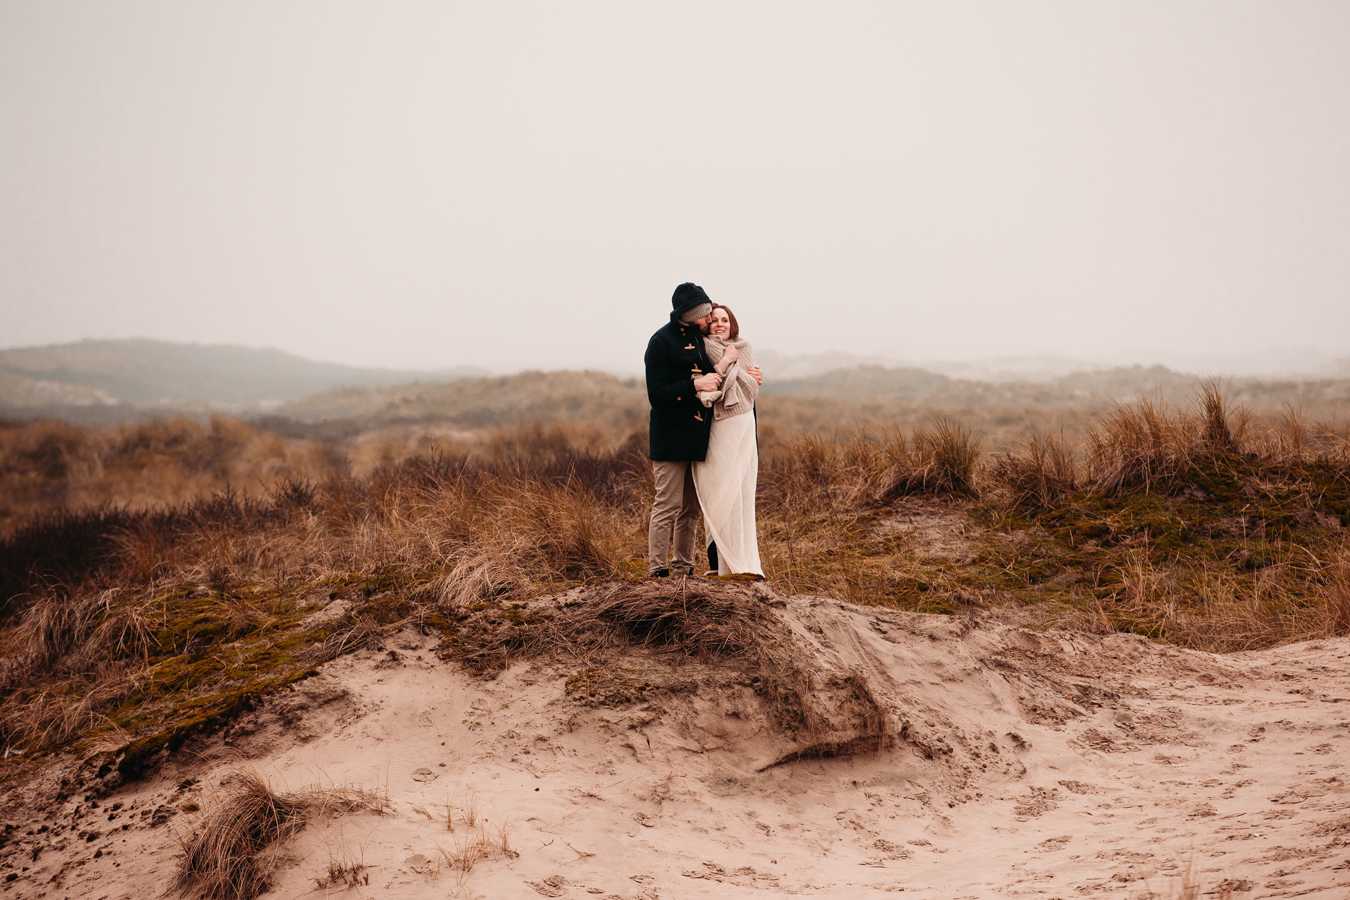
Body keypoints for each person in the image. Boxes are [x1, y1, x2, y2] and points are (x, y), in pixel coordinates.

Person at [644, 283, 761, 577]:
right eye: (706, 314)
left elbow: (724, 365)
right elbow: (655, 395)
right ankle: (658, 571)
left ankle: (684, 570)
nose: (711, 319)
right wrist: (694, 385)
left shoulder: (700, 338)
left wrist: (750, 373)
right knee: (667, 505)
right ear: (690, 314)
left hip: (700, 439)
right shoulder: (660, 342)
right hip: (671, 437)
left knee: (691, 510)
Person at [691, 303, 764, 576]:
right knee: (719, 489)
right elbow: (710, 383)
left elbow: (749, 388)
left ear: (732, 325)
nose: (720, 324)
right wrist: (727, 363)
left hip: (741, 421)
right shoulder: (702, 349)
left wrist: (748, 375)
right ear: (709, 326)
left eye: (725, 320)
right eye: (715, 321)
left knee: (740, 488)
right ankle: (718, 561)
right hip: (718, 425)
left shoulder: (743, 347)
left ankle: (740, 562)